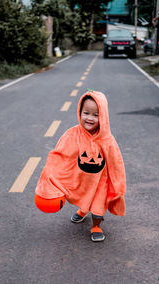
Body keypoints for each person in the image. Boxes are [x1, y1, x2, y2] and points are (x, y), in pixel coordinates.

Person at [35, 90, 126, 242]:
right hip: (80, 178)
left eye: (96, 115)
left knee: (98, 208)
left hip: (100, 181)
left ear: (103, 116)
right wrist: (51, 176)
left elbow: (116, 162)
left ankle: (96, 226)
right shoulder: (72, 134)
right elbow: (60, 155)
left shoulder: (107, 140)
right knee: (83, 197)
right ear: (80, 112)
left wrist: (118, 183)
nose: (90, 118)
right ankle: (83, 211)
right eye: (86, 113)